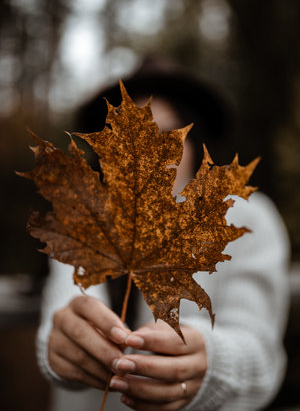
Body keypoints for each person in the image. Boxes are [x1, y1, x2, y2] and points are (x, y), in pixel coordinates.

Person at [36, 58, 290, 411]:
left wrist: (212, 362)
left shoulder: (245, 216)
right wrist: (60, 342)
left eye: (165, 135)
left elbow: (260, 350)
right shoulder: (82, 217)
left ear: (195, 140)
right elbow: (65, 306)